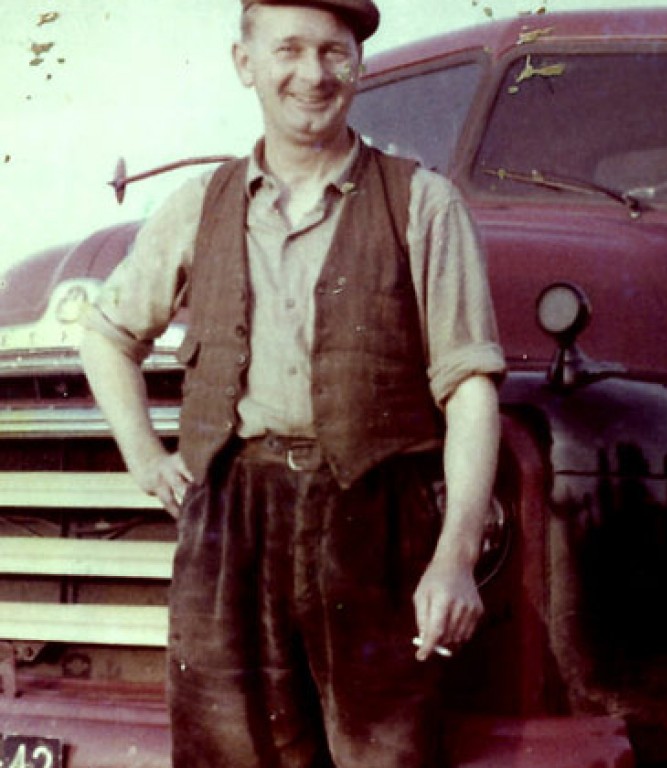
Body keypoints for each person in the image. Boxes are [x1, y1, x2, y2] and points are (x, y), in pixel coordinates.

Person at [78, 1, 505, 766]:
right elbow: (107, 335)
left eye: (334, 52)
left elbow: (470, 386)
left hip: (376, 519)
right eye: (289, 50)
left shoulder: (423, 203)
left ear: (359, 65)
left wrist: (454, 558)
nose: (313, 74)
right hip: (231, 520)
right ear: (245, 63)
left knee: (385, 752)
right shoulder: (198, 206)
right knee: (228, 749)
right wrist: (144, 456)